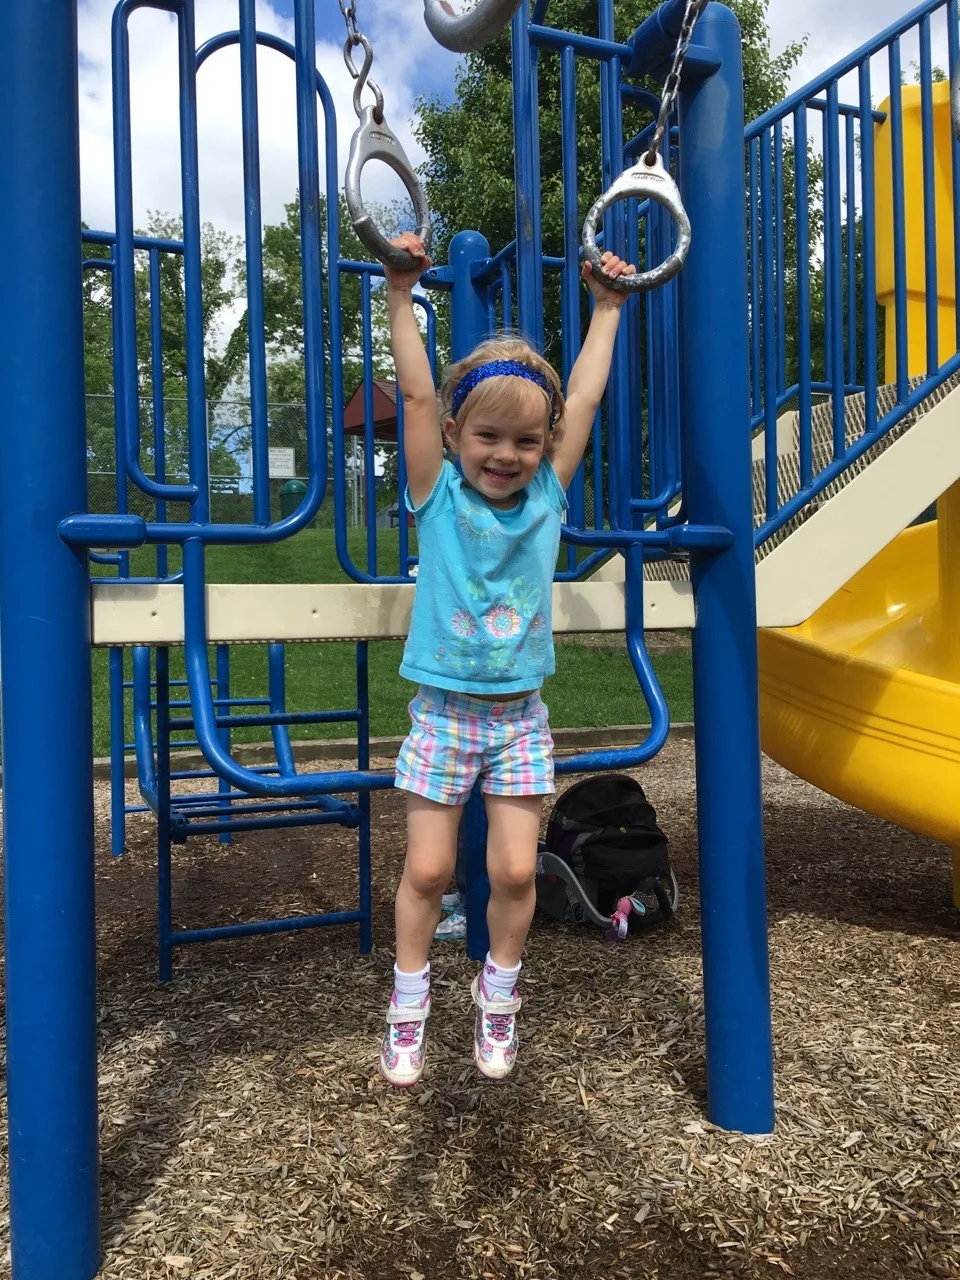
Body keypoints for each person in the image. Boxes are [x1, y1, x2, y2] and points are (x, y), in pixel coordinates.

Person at [380, 231, 635, 1086]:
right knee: (428, 867)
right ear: (456, 435)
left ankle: (500, 999)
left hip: (519, 717)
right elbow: (416, 394)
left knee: (518, 868)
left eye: (527, 444)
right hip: (445, 714)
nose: (507, 457)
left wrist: (606, 311)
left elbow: (587, 405)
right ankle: (409, 1002)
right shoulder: (436, 493)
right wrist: (400, 292)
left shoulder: (548, 496)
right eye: (489, 437)